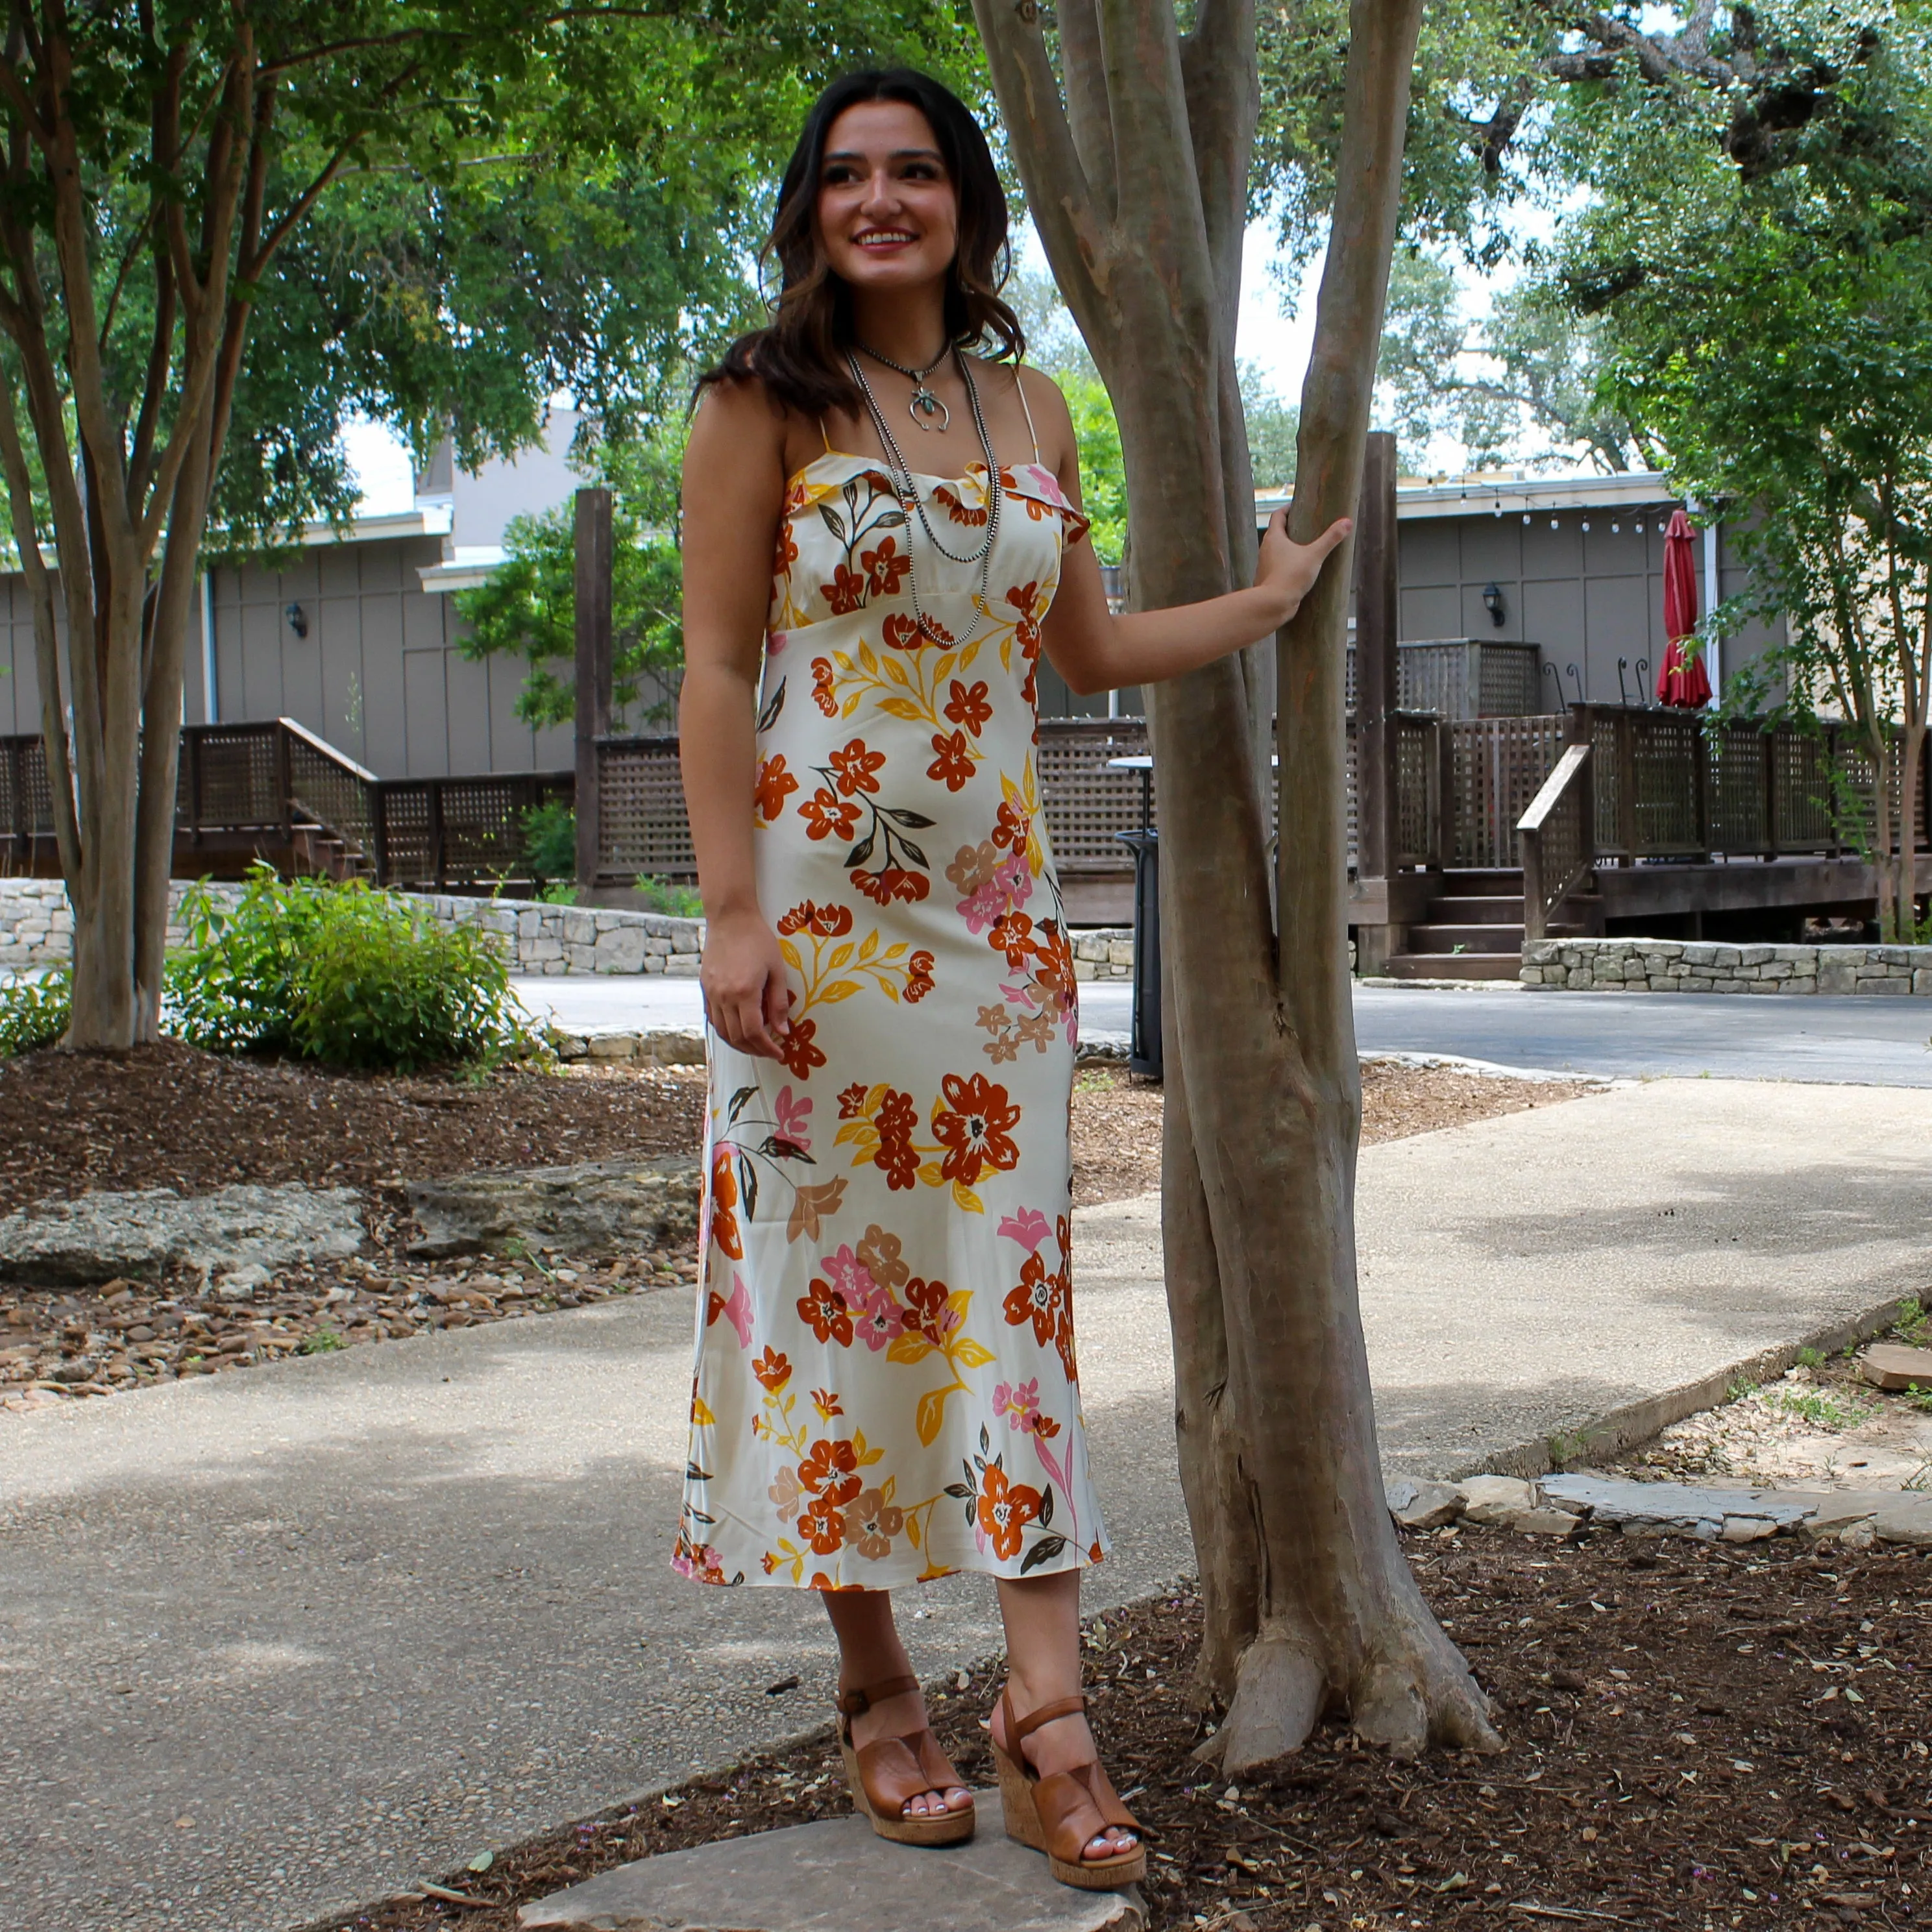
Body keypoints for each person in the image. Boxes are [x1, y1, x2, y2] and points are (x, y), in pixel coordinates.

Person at [675, 66, 1348, 1892]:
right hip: (814, 940)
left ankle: (1043, 1712)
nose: (877, 199)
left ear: (965, 201)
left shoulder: (1030, 404)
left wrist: (1268, 607)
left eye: (912, 171)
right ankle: (878, 1682)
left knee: (1008, 1311)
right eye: (844, 175)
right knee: (828, 1314)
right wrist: (731, 916)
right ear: (812, 207)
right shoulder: (763, 402)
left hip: (996, 946)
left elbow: (1100, 645)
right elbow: (718, 675)